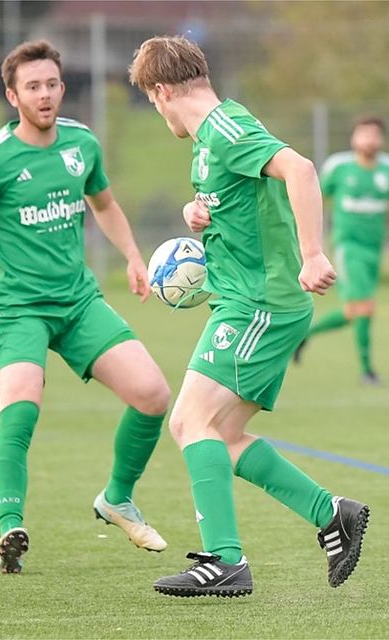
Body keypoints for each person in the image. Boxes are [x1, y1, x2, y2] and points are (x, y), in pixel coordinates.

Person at [129, 35, 369, 597]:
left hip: (258, 305)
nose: (157, 110)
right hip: (248, 301)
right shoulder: (210, 140)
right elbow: (238, 197)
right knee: (225, 434)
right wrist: (199, 211)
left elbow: (301, 169)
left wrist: (313, 253)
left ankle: (224, 559)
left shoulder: (225, 128)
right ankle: (331, 513)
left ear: (163, 90)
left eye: (152, 100)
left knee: (189, 423)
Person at [0, 40, 172, 575]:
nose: (45, 95)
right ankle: (10, 525)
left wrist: (133, 256)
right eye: (33, 87)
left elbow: (103, 203)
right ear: (12, 95)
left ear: (63, 88)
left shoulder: (82, 144)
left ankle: (117, 498)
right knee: (22, 405)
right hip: (18, 308)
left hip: (78, 301)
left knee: (154, 394)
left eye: (52, 84)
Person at [294, 117, 389, 385]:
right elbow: (315, 198)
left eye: (374, 135)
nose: (369, 139)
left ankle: (304, 335)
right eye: (364, 134)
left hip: (374, 250)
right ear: (354, 138)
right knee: (365, 308)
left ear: (381, 140)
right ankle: (368, 371)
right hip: (349, 247)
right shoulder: (340, 167)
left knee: (352, 313)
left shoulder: (386, 170)